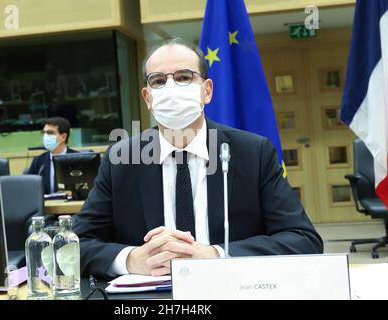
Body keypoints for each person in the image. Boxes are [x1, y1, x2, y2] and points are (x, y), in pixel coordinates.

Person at [72, 38, 323, 279]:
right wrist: (130, 260)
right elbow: (75, 245)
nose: (171, 89)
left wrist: (216, 255)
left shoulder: (253, 152)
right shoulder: (121, 159)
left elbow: (303, 239)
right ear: (148, 98)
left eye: (184, 77)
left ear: (207, 91)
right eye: (158, 81)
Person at [27, 117, 77, 195]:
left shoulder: (77, 158)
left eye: (50, 133)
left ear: (63, 137)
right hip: (47, 206)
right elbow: (29, 188)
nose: (45, 136)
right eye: (44, 133)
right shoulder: (39, 161)